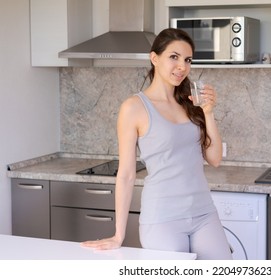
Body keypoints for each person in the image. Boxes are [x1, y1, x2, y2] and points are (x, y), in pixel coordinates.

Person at [81, 28, 232, 260]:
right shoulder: (134, 107)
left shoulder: (191, 104)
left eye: (187, 60)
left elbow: (215, 159)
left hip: (203, 213)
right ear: (154, 58)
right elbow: (126, 174)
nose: (182, 66)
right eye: (174, 57)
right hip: (163, 217)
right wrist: (118, 234)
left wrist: (209, 113)